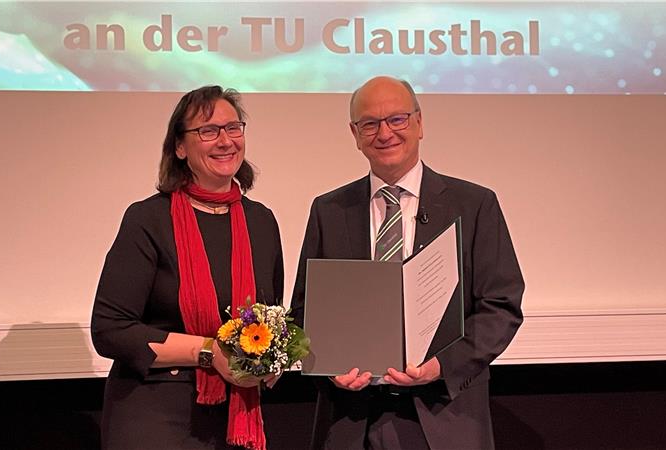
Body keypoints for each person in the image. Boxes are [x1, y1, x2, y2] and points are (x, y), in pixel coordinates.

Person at [290, 76, 524, 449]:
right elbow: (305, 311)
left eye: (397, 119)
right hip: (352, 420)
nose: (385, 133)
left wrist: (442, 367)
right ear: (355, 133)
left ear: (419, 123)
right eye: (370, 123)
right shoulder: (329, 210)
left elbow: (501, 307)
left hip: (444, 416)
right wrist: (331, 371)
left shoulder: (474, 205)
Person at [91, 86, 284, 450]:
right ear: (180, 147)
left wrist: (270, 360)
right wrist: (209, 351)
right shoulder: (148, 219)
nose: (225, 141)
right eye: (208, 131)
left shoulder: (261, 222)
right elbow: (110, 331)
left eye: (233, 128)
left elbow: (267, 318)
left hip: (236, 417)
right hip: (156, 413)